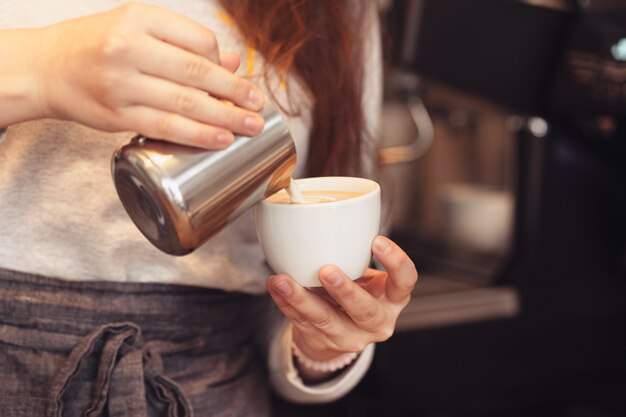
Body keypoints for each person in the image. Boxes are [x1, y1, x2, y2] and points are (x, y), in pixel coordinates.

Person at [0, 1, 418, 415]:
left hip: (214, 385)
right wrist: (39, 69)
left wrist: (321, 342)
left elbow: (304, 267)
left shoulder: (339, 10)